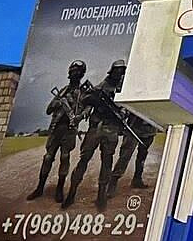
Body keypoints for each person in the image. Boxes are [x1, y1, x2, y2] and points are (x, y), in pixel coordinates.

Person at [64, 59, 127, 209]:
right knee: (84, 159)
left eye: (121, 72)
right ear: (112, 71)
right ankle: (72, 193)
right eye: (117, 71)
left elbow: (125, 108)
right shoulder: (101, 86)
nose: (119, 74)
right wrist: (97, 103)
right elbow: (86, 99)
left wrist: (122, 112)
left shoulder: (123, 89)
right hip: (95, 128)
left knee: (107, 161)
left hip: (111, 129)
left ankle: (101, 196)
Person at [28, 60, 86, 202]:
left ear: (82, 74)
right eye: (73, 71)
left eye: (77, 72)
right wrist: (60, 103)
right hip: (56, 128)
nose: (74, 74)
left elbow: (87, 109)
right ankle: (40, 187)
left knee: (65, 157)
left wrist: (79, 116)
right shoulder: (63, 91)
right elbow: (49, 109)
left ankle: (59, 189)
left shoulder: (83, 93)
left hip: (70, 129)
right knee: (48, 158)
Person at [108, 110, 157, 197]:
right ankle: (113, 182)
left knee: (142, 157)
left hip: (149, 130)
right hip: (133, 129)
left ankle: (137, 179)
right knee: (125, 156)